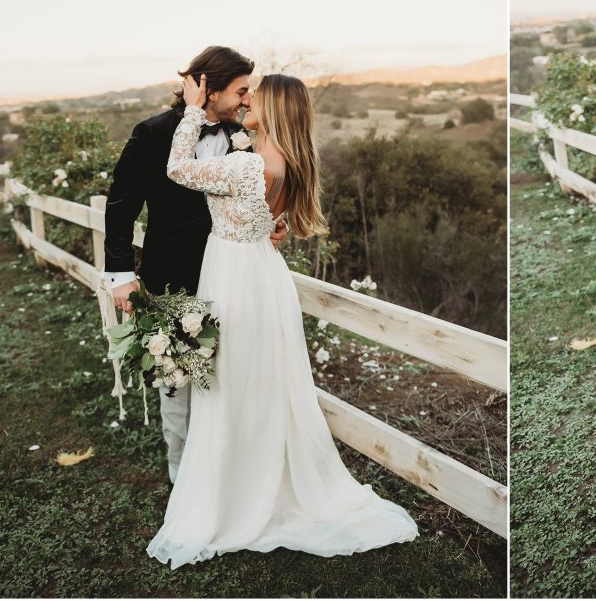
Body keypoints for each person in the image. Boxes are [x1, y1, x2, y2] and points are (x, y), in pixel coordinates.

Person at [146, 73, 417, 569]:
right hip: (262, 277)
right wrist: (273, 226)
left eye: (255, 97)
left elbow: (177, 168)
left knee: (232, 384)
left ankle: (239, 494)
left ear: (271, 111)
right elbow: (272, 222)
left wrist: (191, 108)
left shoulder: (249, 166)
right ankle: (257, 476)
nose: (247, 101)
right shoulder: (288, 163)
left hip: (236, 282)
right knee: (262, 384)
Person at [103, 45, 286, 483]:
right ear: (209, 88)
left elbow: (249, 201)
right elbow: (120, 207)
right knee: (177, 372)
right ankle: (181, 472)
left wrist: (266, 227)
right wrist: (121, 276)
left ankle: (229, 464)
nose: (246, 101)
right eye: (241, 91)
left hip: (233, 275)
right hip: (174, 276)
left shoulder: (243, 138)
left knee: (230, 369)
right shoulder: (151, 133)